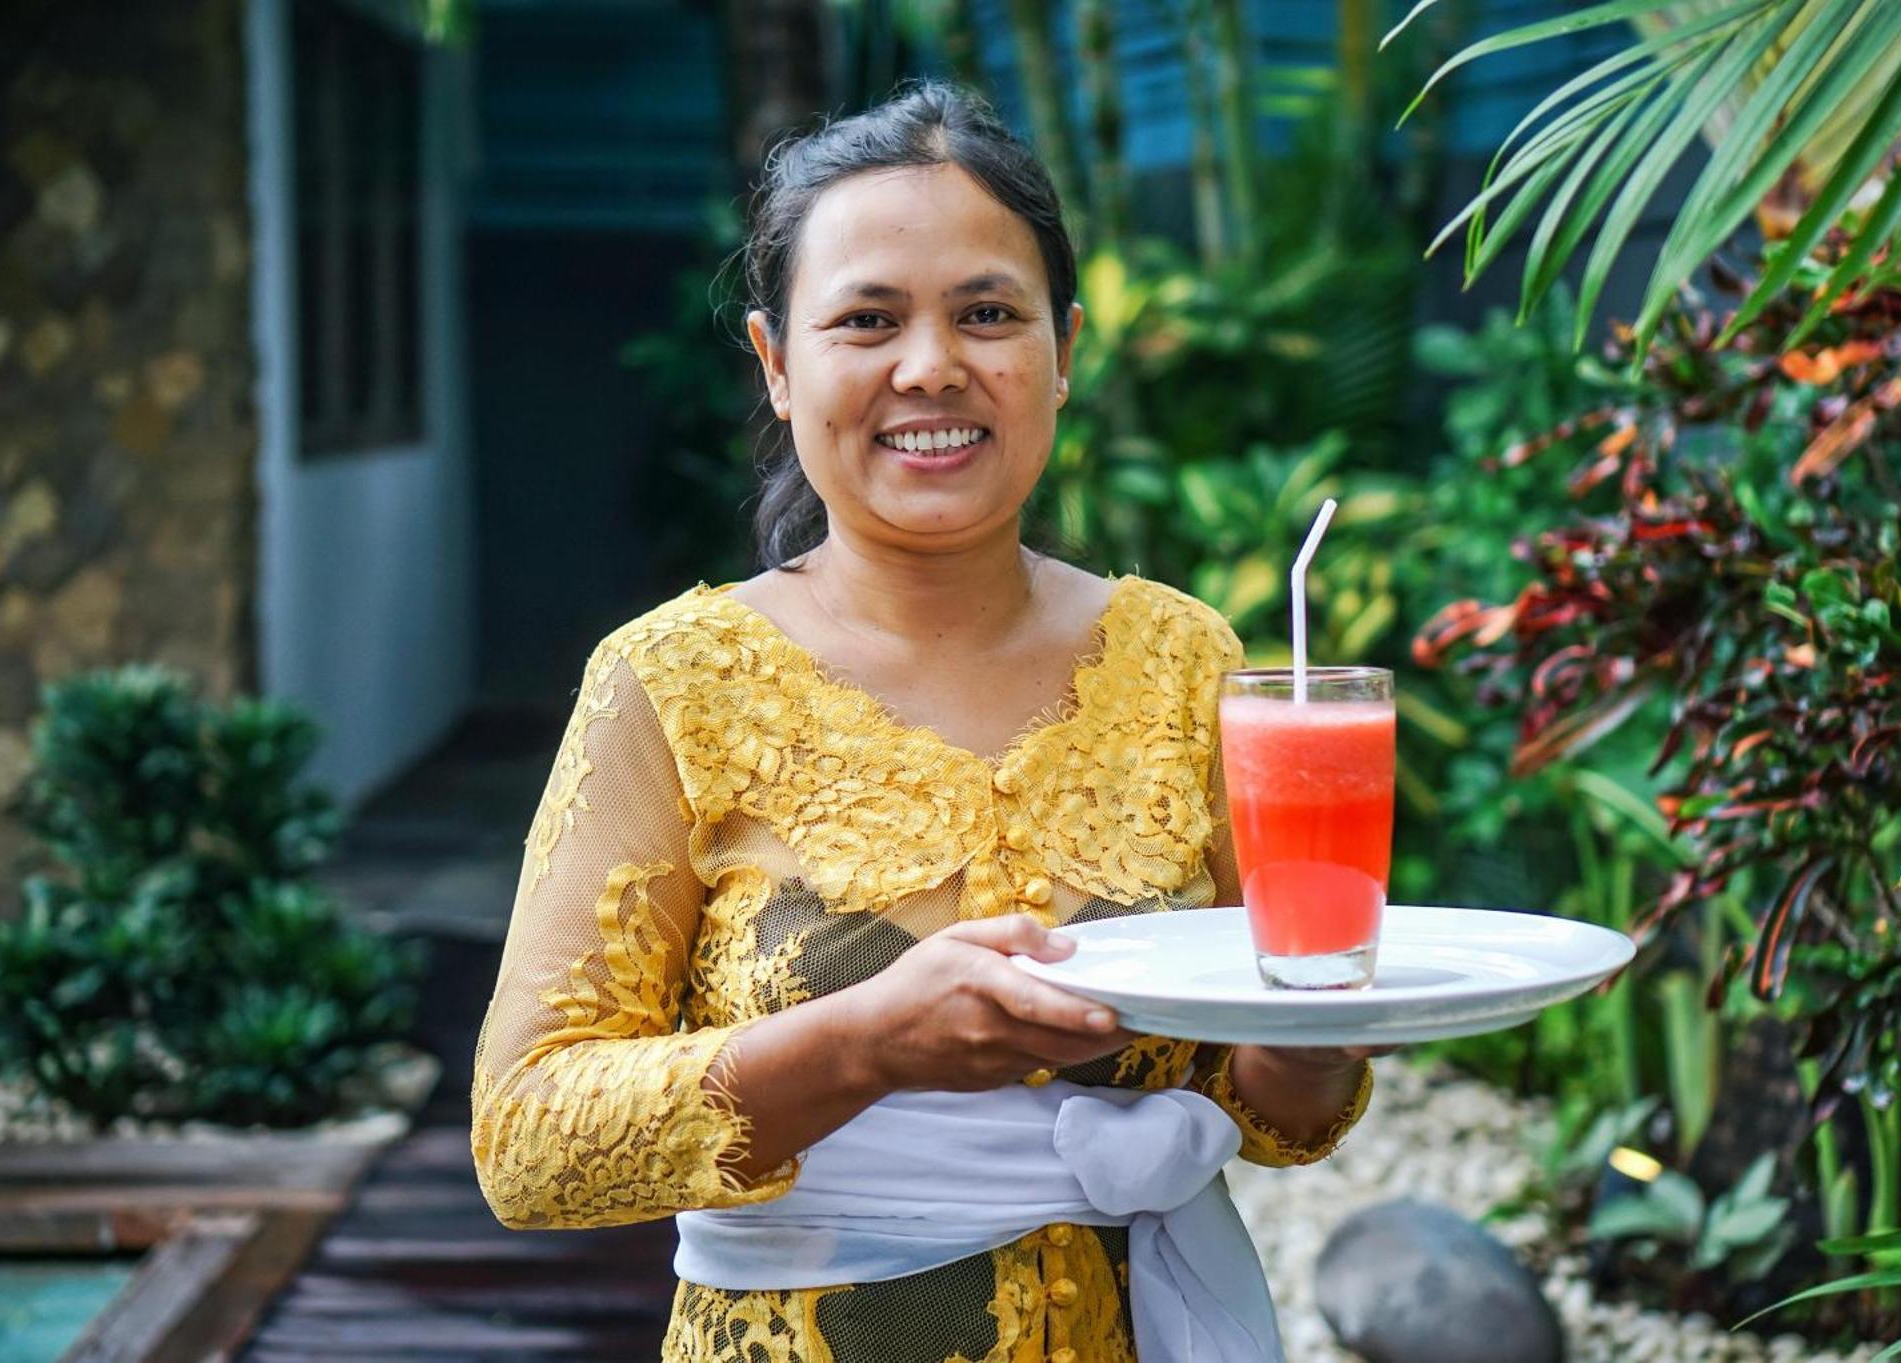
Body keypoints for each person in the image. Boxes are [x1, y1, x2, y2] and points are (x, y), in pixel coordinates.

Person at [470, 80, 1376, 1363]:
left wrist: (1325, 1038)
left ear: (1062, 352)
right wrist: (861, 1042)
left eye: (987, 314)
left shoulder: (1181, 658)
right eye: (867, 319)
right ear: (778, 366)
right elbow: (528, 1146)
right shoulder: (672, 678)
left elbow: (1271, 1107)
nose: (931, 364)